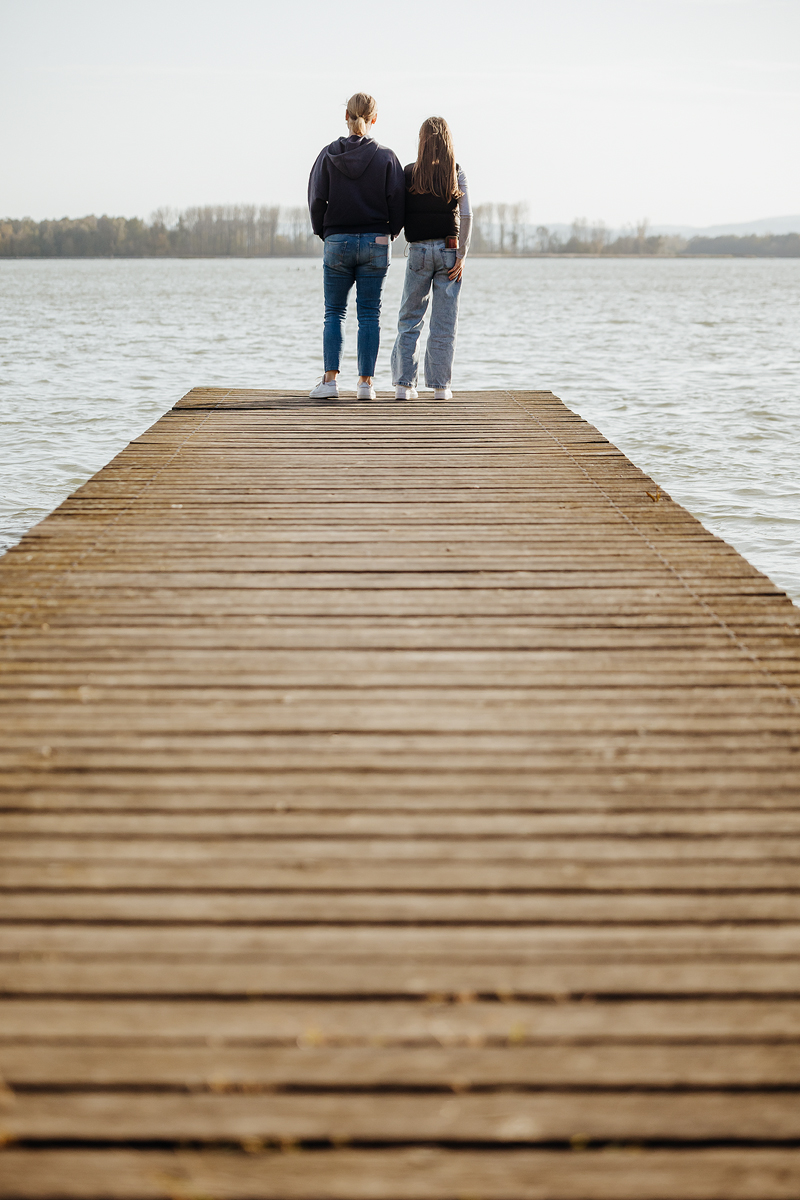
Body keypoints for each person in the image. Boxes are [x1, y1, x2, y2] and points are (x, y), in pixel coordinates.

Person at [307, 93, 405, 400]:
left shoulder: (327, 155)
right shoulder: (387, 157)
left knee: (334, 312)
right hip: (377, 241)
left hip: (337, 239)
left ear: (346, 117)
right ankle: (365, 384)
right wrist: (391, 232)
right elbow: (398, 203)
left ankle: (329, 382)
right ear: (374, 119)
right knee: (370, 315)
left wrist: (325, 232)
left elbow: (316, 199)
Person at [390, 117, 471, 401]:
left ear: (422, 141)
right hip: (449, 251)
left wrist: (391, 235)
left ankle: (404, 385)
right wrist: (462, 254)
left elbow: (398, 212)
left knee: (410, 318)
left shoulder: (409, 173)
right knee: (444, 322)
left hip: (419, 252)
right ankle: (440, 387)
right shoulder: (456, 172)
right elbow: (467, 215)